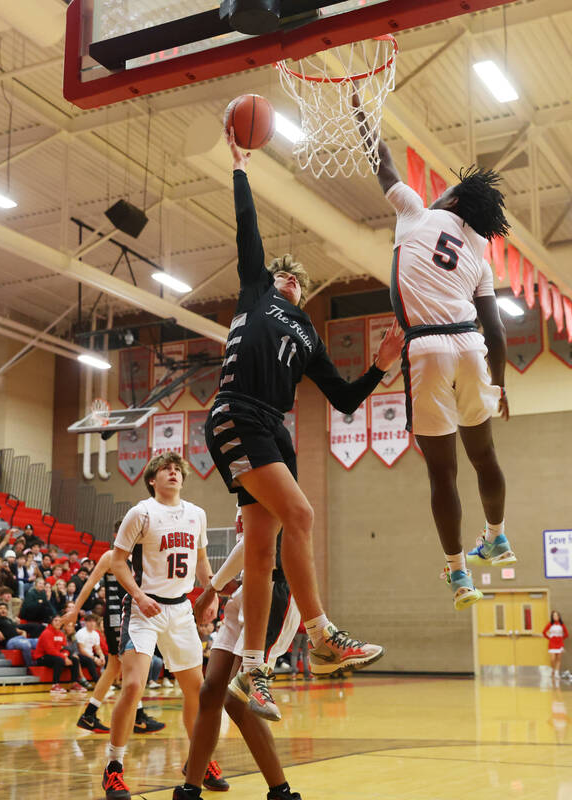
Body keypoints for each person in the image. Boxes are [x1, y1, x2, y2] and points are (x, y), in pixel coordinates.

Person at [204, 135, 402, 724]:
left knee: (263, 553)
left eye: (295, 277)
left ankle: (256, 670)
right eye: (282, 274)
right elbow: (249, 231)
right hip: (238, 413)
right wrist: (240, 169)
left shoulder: (310, 337)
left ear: (304, 289)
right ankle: (321, 634)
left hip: (276, 428)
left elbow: (343, 400)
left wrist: (380, 366)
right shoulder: (254, 290)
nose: (287, 278)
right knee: (304, 515)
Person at [356, 103, 515, 612]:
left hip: (426, 347)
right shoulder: (479, 255)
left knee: (441, 474)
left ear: (453, 198)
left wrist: (364, 120)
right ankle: (496, 535)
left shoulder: (415, 211)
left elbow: (382, 163)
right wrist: (501, 383)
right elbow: (495, 328)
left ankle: (459, 574)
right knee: (484, 456)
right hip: (471, 346)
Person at [101, 453, 214, 800]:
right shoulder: (141, 513)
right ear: (152, 478)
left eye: (178, 470)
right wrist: (137, 594)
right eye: (166, 469)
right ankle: (113, 767)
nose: (173, 473)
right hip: (143, 608)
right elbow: (117, 562)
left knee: (197, 691)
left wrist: (211, 595)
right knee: (133, 685)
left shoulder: (197, 514)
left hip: (180, 611)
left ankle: (198, 763)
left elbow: (202, 561)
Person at [175, 507, 300, 800]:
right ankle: (190, 790)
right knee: (210, 692)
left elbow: (254, 542)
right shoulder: (244, 487)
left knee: (237, 699)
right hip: (247, 589)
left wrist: (212, 588)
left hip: (273, 592)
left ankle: (281, 791)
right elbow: (249, 547)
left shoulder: (268, 477)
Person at [64, 547, 165, 736]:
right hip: (116, 620)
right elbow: (89, 583)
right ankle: (138, 718)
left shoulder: (136, 558)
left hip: (127, 618)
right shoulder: (111, 556)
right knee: (130, 667)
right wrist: (76, 609)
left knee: (114, 668)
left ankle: (89, 715)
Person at [31, 613, 90, 692]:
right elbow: (50, 650)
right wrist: (64, 657)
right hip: (42, 657)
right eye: (56, 620)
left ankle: (73, 684)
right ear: (51, 622)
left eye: (60, 621)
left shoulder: (61, 634)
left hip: (57, 656)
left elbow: (65, 648)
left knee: (75, 660)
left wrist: (65, 654)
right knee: (59, 660)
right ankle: (55, 685)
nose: (58, 622)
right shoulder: (46, 633)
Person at [73, 612, 106, 681]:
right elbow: (81, 650)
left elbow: (97, 648)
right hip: (80, 656)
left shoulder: (95, 633)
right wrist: (95, 659)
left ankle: (107, 681)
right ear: (85, 623)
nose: (92, 623)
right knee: (89, 660)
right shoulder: (81, 633)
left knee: (107, 658)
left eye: (94, 621)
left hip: (90, 655)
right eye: (90, 621)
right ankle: (97, 682)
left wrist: (101, 656)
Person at [544, 611, 568, 680]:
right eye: (554, 616)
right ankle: (553, 670)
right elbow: (544, 632)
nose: (555, 617)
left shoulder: (562, 625)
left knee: (558, 659)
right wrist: (550, 638)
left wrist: (561, 638)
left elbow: (566, 634)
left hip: (559, 643)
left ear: (559, 616)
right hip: (552, 643)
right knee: (552, 659)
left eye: (557, 615)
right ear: (552, 617)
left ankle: (557, 672)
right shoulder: (550, 624)